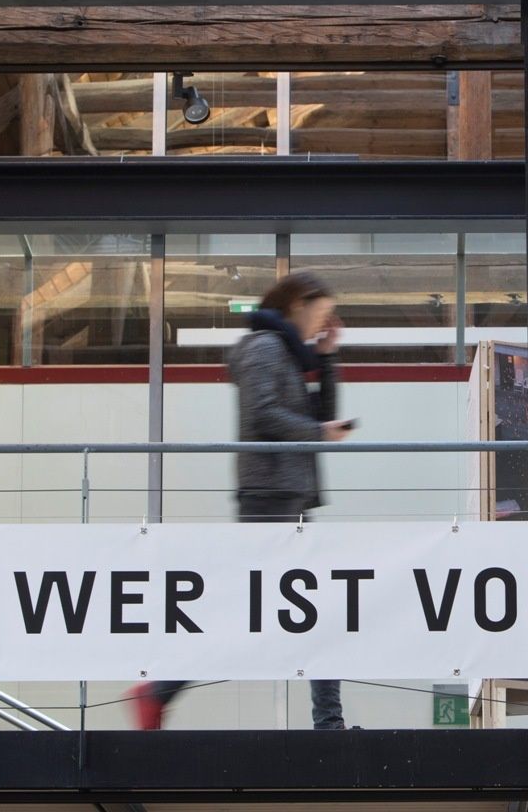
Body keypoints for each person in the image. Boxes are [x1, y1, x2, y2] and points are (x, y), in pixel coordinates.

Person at [127, 270, 354, 730]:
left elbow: (321, 416)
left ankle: (327, 722)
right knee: (267, 606)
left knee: (311, 605)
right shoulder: (264, 349)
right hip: (269, 496)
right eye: (322, 313)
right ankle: (159, 690)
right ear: (299, 305)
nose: (323, 323)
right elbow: (263, 414)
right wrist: (317, 431)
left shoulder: (289, 353)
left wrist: (327, 358)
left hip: (288, 496)